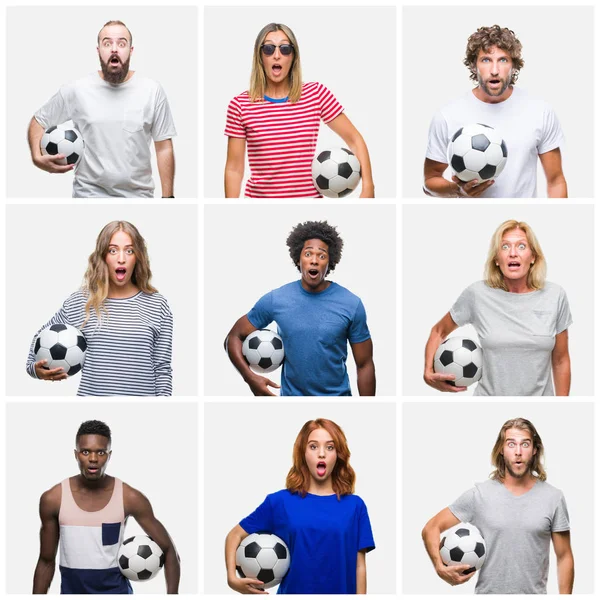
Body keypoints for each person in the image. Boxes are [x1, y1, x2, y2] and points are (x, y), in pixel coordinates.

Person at [421, 418, 574, 594]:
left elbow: (564, 557)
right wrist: (440, 568)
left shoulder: (553, 498)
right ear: (501, 449)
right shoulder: (479, 495)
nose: (518, 452)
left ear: (534, 450)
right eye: (511, 444)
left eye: (525, 444)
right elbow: (431, 528)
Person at [224, 22, 375, 198]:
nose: (277, 55)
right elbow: (234, 169)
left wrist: (368, 188)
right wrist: (230, 209)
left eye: (285, 48)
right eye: (269, 49)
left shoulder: (316, 94)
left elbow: (354, 139)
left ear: (293, 56)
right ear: (260, 56)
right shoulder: (240, 104)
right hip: (260, 206)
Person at [28, 20, 176, 198]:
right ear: (98, 50)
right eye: (107, 43)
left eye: (121, 43)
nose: (114, 49)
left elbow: (163, 147)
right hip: (88, 195)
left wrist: (168, 198)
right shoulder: (77, 89)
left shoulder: (152, 90)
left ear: (131, 50)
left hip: (139, 196)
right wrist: (37, 156)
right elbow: (39, 121)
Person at [225, 418, 375, 594]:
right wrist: (232, 579)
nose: (321, 454)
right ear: (303, 453)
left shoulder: (355, 506)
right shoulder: (279, 502)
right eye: (313, 446)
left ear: (338, 455)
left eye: (330, 447)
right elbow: (234, 535)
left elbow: (360, 566)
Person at [225, 220, 375, 396]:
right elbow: (234, 337)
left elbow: (364, 365)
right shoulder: (276, 299)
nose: (314, 261)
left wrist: (368, 408)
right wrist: (250, 379)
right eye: (308, 253)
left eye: (321, 255)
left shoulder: (351, 304)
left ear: (330, 261)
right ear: (298, 258)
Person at [424, 219, 571, 396]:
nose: (513, 253)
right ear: (496, 259)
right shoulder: (477, 294)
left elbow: (561, 360)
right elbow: (439, 331)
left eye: (522, 246)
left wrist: (561, 405)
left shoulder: (555, 295)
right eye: (505, 247)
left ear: (533, 257)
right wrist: (428, 373)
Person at [26, 220, 173, 396]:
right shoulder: (81, 302)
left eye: (129, 250)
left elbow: (162, 368)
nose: (121, 258)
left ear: (138, 256)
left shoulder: (157, 305)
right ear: (102, 256)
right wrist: (36, 370)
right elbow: (40, 338)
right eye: (113, 250)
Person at [33, 420, 180, 594]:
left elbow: (169, 551)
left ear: (109, 455)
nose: (93, 459)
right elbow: (45, 561)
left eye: (101, 452)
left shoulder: (129, 497)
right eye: (85, 452)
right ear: (76, 454)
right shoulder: (54, 499)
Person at [423, 25, 567, 198]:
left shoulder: (540, 111)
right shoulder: (447, 115)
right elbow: (430, 181)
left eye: (503, 60)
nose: (494, 70)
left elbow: (556, 181)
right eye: (485, 60)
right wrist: (458, 190)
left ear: (514, 65)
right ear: (473, 65)